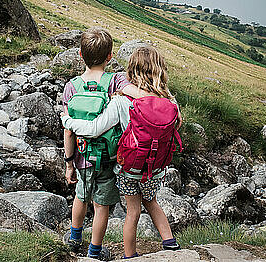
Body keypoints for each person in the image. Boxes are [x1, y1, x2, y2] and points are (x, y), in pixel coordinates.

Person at [62, 46, 182, 259]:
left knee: (132, 212)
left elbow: (95, 129)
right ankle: (170, 243)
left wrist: (67, 121)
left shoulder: (121, 101)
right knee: (152, 201)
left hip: (128, 168)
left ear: (130, 71)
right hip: (154, 168)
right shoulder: (169, 102)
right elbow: (176, 125)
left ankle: (130, 256)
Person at [62, 28, 141, 260]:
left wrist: (69, 164)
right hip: (109, 158)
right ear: (110, 56)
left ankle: (74, 240)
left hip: (82, 157)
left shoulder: (72, 87)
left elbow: (69, 131)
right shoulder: (115, 80)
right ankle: (94, 251)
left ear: (79, 54)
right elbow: (137, 95)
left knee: (80, 197)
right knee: (101, 206)